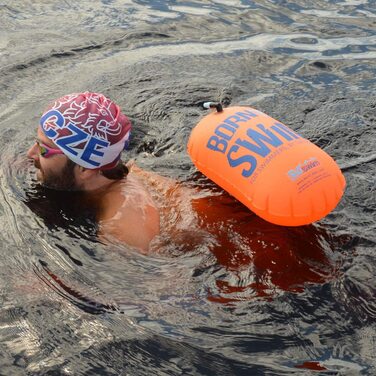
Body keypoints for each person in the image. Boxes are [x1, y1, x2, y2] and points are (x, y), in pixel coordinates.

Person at [27, 92, 160, 251]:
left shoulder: (124, 224)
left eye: (43, 149)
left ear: (85, 169)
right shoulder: (100, 171)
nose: (30, 153)